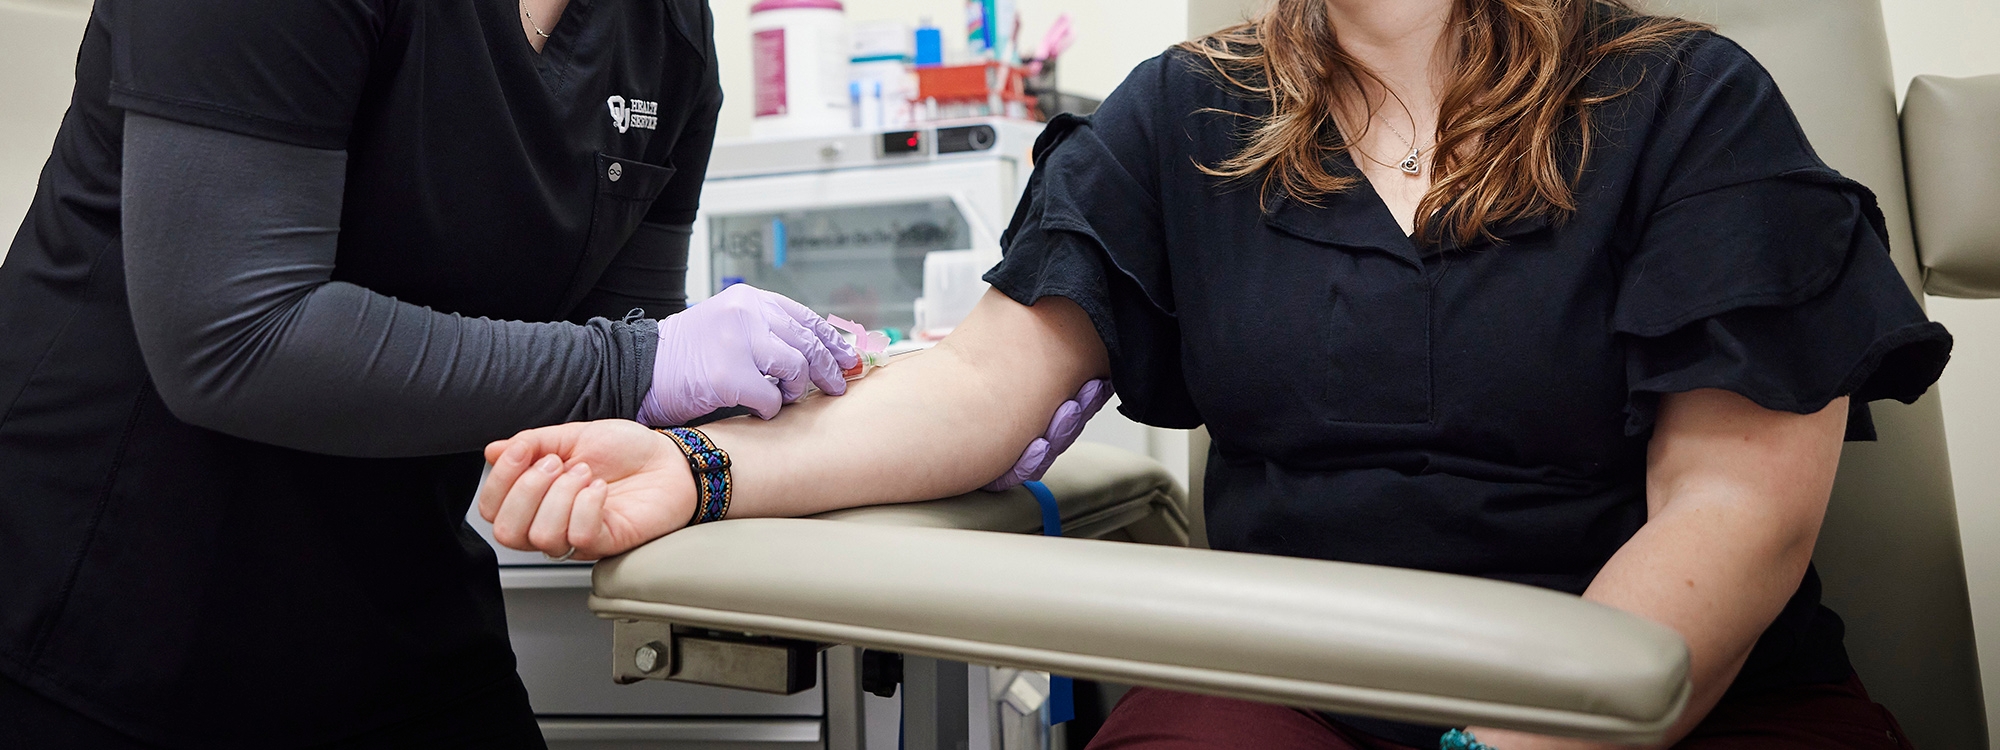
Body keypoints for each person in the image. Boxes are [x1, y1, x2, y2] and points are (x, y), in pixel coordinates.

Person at [477, 0, 1950, 748]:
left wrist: (1505, 739)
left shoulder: (1690, 103)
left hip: (1652, 699)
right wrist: (701, 467)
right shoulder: (1190, 112)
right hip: (1292, 689)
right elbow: (978, 391)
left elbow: (1732, 515)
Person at [0, 0, 1099, 747]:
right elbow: (232, 339)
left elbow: (624, 357)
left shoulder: (660, 30)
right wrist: (643, 363)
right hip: (114, 608)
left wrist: (903, 401)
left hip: (399, 595)